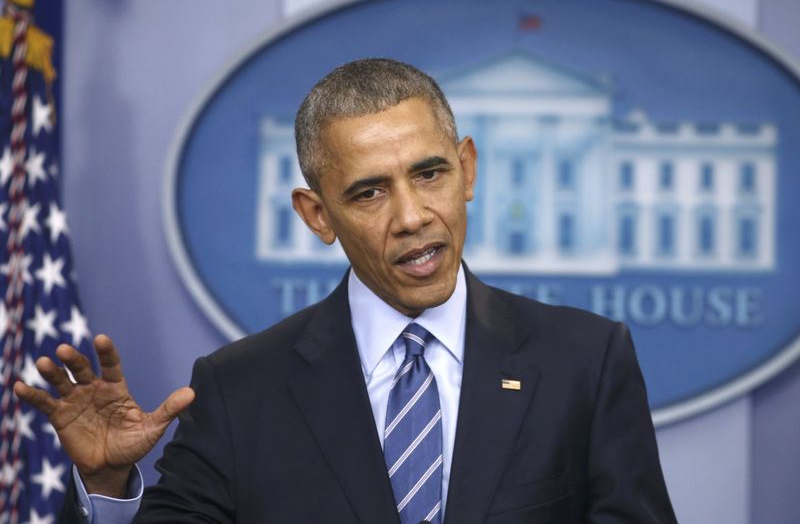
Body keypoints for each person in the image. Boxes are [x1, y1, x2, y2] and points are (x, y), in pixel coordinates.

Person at [15, 58, 677, 523]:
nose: (412, 216)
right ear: (317, 215)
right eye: (368, 192)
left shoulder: (585, 360)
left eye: (429, 174)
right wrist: (104, 485)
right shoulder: (239, 387)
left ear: (467, 168)